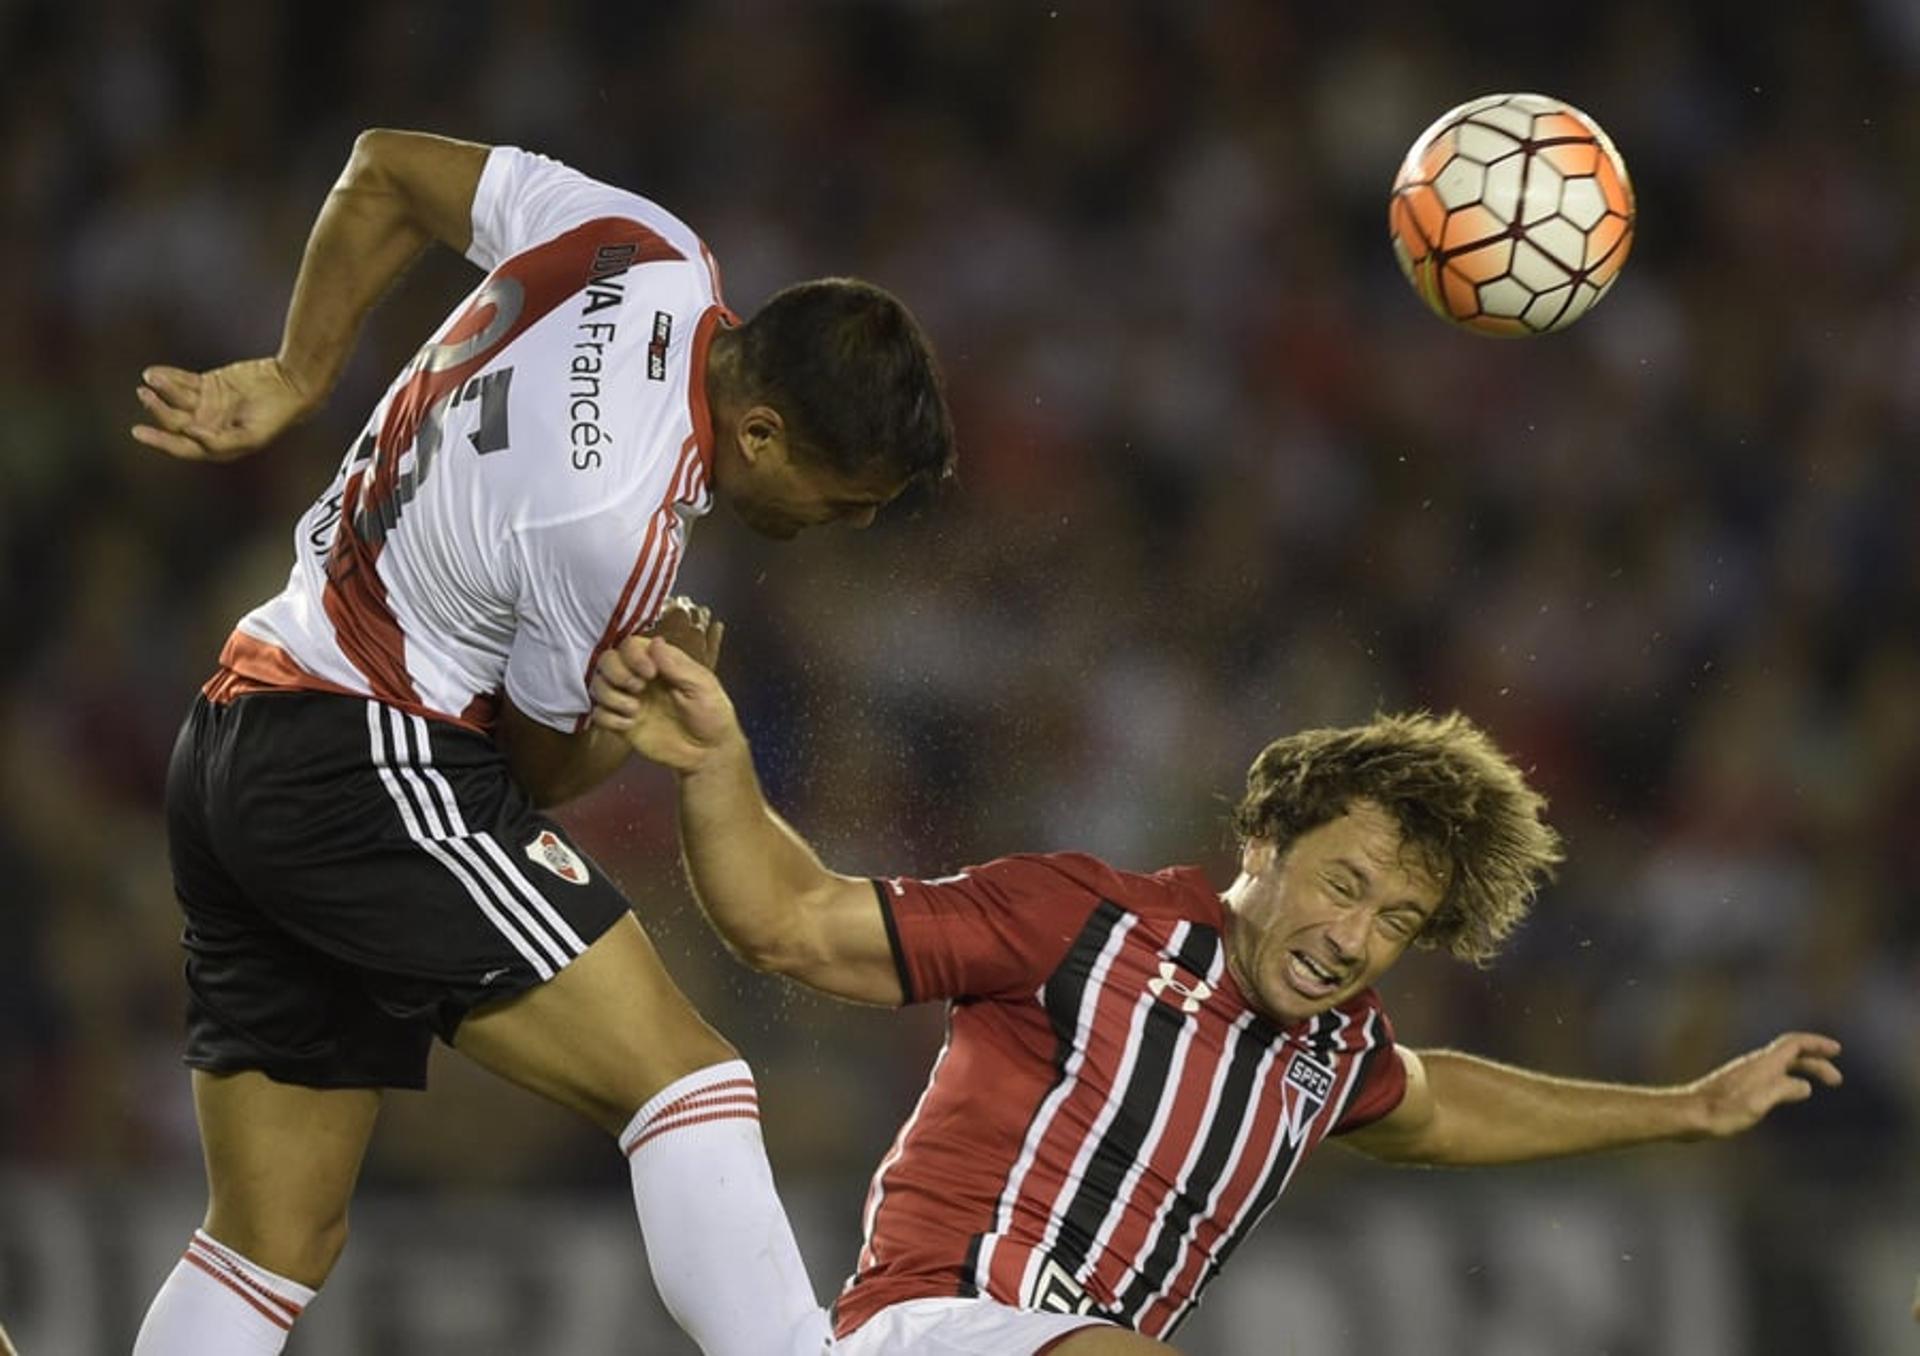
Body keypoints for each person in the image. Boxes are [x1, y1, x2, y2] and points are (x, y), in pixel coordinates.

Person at [128, 128, 954, 1356]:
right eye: (843, 502)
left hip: (245, 721)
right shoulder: (611, 519)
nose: (838, 527)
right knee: (689, 1084)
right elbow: (527, 776)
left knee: (270, 1241)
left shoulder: (649, 250)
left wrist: (303, 373)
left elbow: (385, 169)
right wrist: (634, 716)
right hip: (364, 760)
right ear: (768, 431)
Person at [591, 622, 1846, 1356]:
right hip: (937, 1328)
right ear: (1263, 844)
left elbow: (1442, 1108)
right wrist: (716, 768)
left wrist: (1683, 1110)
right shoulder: (1083, 923)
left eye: (1398, 919)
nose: (1354, 937)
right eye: (1343, 883)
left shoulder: (1331, 1052)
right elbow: (792, 926)